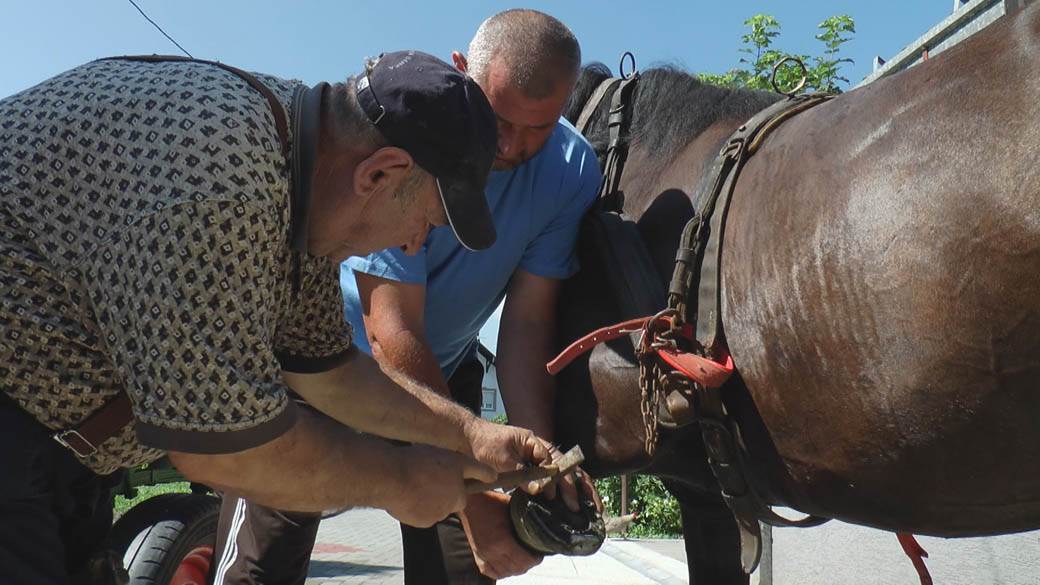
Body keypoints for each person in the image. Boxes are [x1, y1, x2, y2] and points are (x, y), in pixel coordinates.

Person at [0, 50, 554, 585]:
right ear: (381, 174)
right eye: (426, 221)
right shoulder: (221, 184)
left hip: (51, 452)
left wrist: (471, 434)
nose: (413, 245)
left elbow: (332, 373)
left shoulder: (303, 177)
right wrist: (401, 481)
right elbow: (226, 450)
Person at [211, 9, 603, 585]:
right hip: (320, 373)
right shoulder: (413, 127)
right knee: (258, 573)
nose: (510, 146)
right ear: (462, 71)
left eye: (538, 129)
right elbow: (390, 332)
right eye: (498, 119)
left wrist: (534, 464)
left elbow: (526, 326)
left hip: (442, 377)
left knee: (463, 572)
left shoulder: (570, 171)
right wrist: (470, 499)